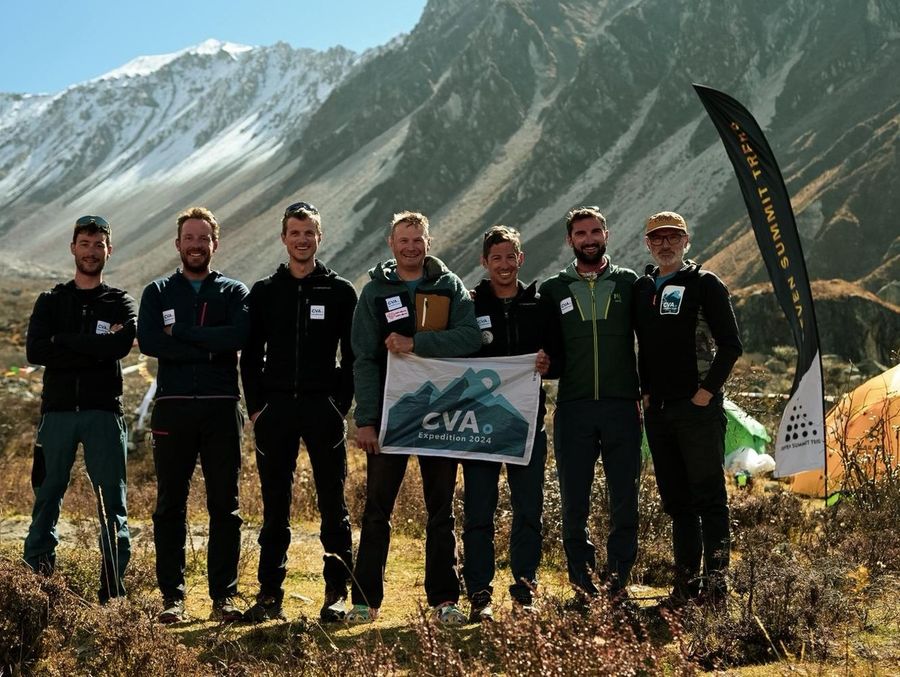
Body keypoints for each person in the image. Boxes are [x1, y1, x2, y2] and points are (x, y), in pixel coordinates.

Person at [347, 211, 481, 624]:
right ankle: (364, 602)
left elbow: (471, 337)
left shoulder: (449, 285)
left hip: (440, 416)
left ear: (428, 241)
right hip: (390, 418)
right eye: (403, 240)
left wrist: (416, 342)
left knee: (441, 509)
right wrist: (365, 419)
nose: (410, 247)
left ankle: (445, 600)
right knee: (376, 510)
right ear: (391, 244)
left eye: (417, 240)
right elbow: (364, 359)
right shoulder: (373, 293)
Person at [240, 200, 358, 623]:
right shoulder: (265, 292)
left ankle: (336, 594)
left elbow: (354, 355)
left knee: (333, 504)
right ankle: (270, 594)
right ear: (284, 238)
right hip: (275, 412)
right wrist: (256, 409)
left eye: (309, 232)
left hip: (321, 408)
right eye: (295, 232)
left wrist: (337, 404)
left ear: (319, 237)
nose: (302, 239)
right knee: (275, 507)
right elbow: (250, 356)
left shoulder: (341, 291)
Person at [137, 206, 250, 624]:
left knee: (226, 505)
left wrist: (182, 333)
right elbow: (149, 342)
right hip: (174, 408)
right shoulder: (158, 292)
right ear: (178, 243)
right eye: (190, 238)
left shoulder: (235, 292)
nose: (196, 245)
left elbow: (238, 336)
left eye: (204, 238)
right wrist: (211, 346)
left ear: (214, 244)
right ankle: (173, 598)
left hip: (222, 408)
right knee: (170, 505)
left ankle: (224, 597)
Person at [24, 215, 136, 603]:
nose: (91, 251)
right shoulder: (51, 300)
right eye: (84, 243)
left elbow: (118, 348)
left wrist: (63, 341)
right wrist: (90, 346)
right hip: (56, 414)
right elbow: (35, 351)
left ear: (109, 250)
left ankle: (112, 594)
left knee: (112, 502)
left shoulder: (120, 301)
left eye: (98, 244)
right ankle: (38, 589)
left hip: (104, 413)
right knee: (46, 497)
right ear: (73, 248)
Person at [633, 211, 742, 608]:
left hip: (697, 410)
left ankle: (716, 590)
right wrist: (645, 393)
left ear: (686, 241)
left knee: (709, 499)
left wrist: (705, 393)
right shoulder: (643, 289)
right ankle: (684, 588)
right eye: (657, 238)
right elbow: (642, 346)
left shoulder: (705, 284)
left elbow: (731, 346)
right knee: (677, 503)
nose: (665, 244)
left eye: (672, 237)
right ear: (648, 244)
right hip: (659, 413)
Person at [538, 206, 642, 602]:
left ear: (607, 235)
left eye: (595, 231)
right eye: (581, 233)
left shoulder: (630, 283)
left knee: (624, 497)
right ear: (570, 240)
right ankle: (582, 582)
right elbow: (540, 344)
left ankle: (618, 581)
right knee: (573, 498)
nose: (589, 239)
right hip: (574, 407)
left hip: (621, 406)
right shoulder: (553, 289)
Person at [463, 225, 550, 622]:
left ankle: (524, 591)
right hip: (480, 428)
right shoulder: (470, 305)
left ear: (521, 259)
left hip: (529, 425)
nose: (503, 264)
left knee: (528, 510)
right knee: (479, 512)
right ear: (485, 262)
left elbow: (559, 356)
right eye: (495, 257)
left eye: (509, 256)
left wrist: (550, 365)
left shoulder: (539, 304)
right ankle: (480, 597)